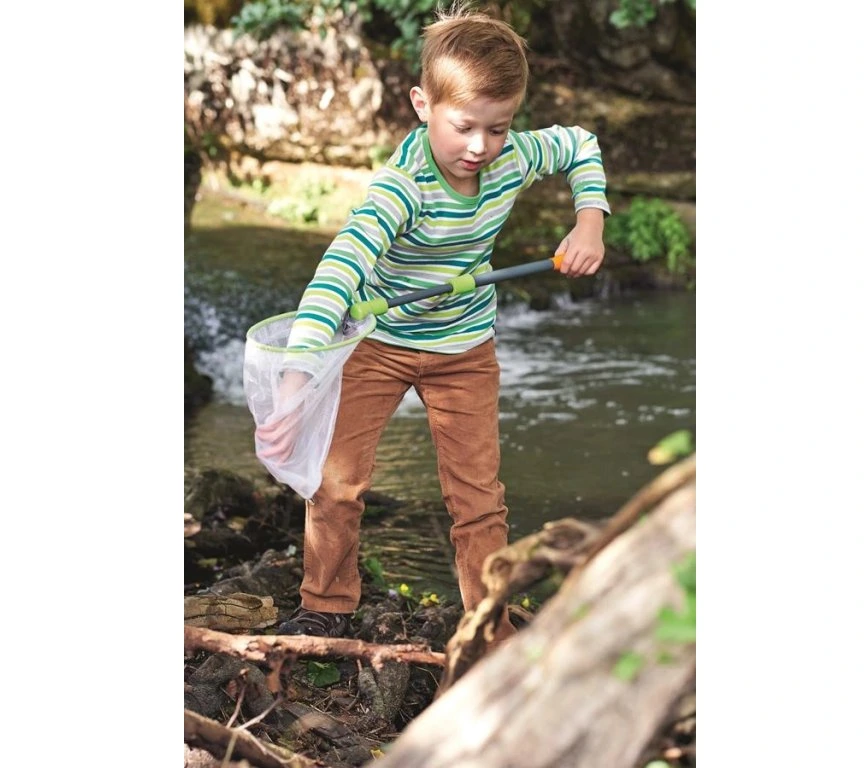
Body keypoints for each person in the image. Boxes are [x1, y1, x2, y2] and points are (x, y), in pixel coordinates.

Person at [256, 3, 610, 642]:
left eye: (498, 128)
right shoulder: (402, 189)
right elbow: (336, 273)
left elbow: (580, 143)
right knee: (336, 484)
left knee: (478, 498)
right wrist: (294, 383)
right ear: (423, 105)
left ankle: (487, 625)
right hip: (378, 344)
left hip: (465, 348)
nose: (480, 147)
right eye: (464, 126)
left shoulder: (512, 157)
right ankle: (326, 606)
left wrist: (589, 220)